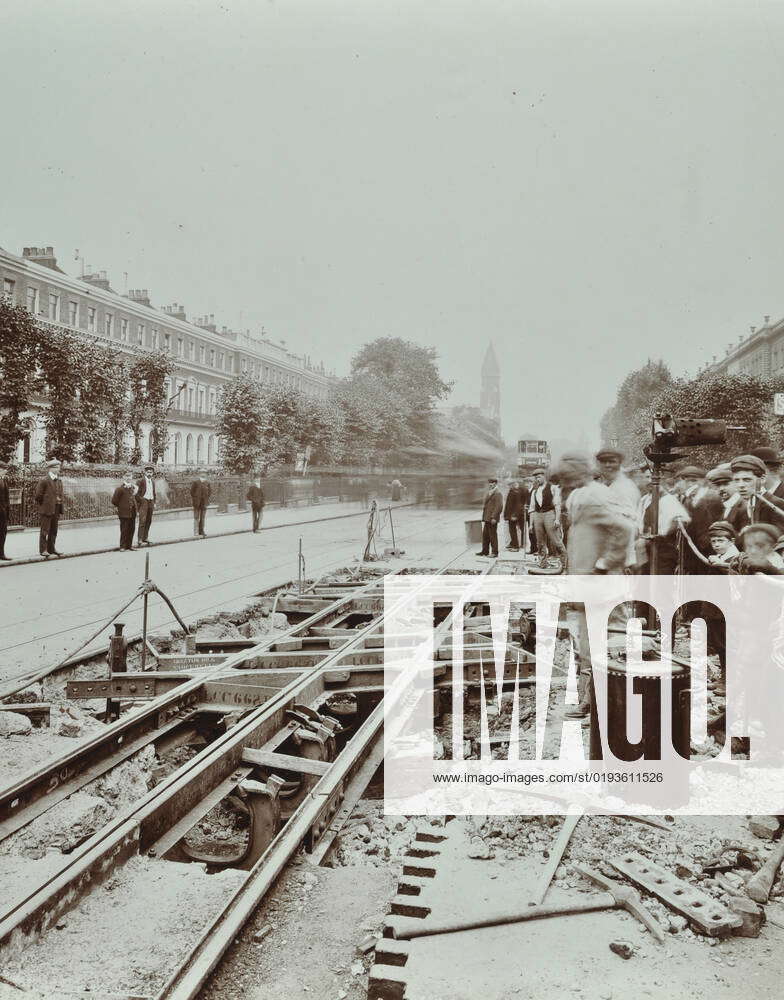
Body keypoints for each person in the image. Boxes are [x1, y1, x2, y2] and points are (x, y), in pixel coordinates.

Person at [556, 454, 634, 720]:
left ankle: (612, 706)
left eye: (566, 477)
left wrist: (604, 563)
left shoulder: (592, 496)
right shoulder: (581, 495)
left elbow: (624, 529)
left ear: (579, 474)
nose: (563, 482)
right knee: (590, 647)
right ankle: (592, 702)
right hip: (589, 587)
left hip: (603, 588)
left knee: (609, 646)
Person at [676, 465, 724, 574]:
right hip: (693, 550)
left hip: (705, 550)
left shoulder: (709, 498)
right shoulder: (690, 498)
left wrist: (705, 547)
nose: (679, 485)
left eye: (683, 481)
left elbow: (707, 525)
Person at [596, 449, 639, 567]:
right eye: (604, 462)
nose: (608, 465)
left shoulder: (625, 487)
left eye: (612, 461)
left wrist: (611, 559)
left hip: (618, 555)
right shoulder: (606, 485)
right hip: (606, 551)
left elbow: (627, 525)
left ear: (619, 463)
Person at [729, 454, 784, 534]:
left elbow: (780, 538)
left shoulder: (775, 504)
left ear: (762, 479)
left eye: (747, 480)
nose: (741, 485)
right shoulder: (741, 507)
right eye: (737, 480)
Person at [529, 468, 567, 568]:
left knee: (556, 540)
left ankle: (565, 563)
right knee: (540, 542)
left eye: (539, 477)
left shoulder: (553, 488)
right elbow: (532, 509)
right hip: (538, 515)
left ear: (544, 476)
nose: (537, 479)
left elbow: (557, 505)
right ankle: (543, 563)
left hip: (549, 514)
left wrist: (557, 519)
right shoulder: (534, 491)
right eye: (535, 478)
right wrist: (530, 525)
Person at [35, 459, 64, 558]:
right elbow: (38, 496)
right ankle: (43, 550)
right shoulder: (44, 480)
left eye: (59, 467)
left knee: (54, 530)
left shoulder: (59, 480)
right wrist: (45, 505)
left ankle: (52, 549)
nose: (59, 469)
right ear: (51, 469)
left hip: (56, 508)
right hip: (46, 509)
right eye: (57, 467)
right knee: (45, 530)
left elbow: (60, 494)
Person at [111, 471, 138, 551]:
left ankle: (129, 546)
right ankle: (122, 546)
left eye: (130, 476)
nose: (128, 477)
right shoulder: (120, 489)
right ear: (123, 477)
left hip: (132, 512)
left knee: (131, 529)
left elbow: (135, 498)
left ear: (132, 477)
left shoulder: (133, 488)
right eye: (126, 476)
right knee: (124, 529)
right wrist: (122, 507)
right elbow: (114, 501)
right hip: (124, 513)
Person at [476, 478, 503, 557]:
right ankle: (485, 551)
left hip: (492, 518)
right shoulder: (490, 492)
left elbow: (499, 506)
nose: (490, 484)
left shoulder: (498, 493)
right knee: (485, 535)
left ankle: (495, 552)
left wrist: (494, 517)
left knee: (493, 536)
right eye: (489, 483)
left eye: (491, 483)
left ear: (495, 484)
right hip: (487, 518)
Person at [136, 464, 157, 547]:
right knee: (142, 520)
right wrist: (142, 500)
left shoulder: (153, 481)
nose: (149, 474)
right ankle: (140, 539)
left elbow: (154, 493)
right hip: (144, 502)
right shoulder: (140, 481)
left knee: (149, 520)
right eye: (148, 472)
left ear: (153, 473)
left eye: (151, 472)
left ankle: (145, 537)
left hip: (151, 502)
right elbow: (136, 494)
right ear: (145, 472)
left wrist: (154, 502)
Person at [503, 479, 525, 550]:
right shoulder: (512, 492)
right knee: (512, 530)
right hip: (511, 515)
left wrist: (514, 515)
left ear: (513, 485)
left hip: (514, 515)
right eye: (509, 485)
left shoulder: (515, 492)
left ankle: (516, 546)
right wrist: (506, 515)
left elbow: (518, 505)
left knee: (513, 530)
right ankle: (513, 543)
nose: (509, 486)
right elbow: (508, 505)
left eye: (510, 485)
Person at [190, 470, 211, 537]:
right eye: (202, 473)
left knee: (202, 518)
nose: (203, 474)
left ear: (206, 474)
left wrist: (206, 498)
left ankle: (201, 531)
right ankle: (195, 532)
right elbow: (192, 492)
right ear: (199, 474)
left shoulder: (207, 483)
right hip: (197, 503)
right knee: (196, 518)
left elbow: (210, 492)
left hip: (204, 503)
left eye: (204, 473)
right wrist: (196, 498)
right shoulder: (195, 482)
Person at [0, 463, 10, 560]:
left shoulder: (4, 479)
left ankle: (1, 554)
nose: (6, 471)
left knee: (3, 532)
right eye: (4, 469)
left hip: (3, 512)